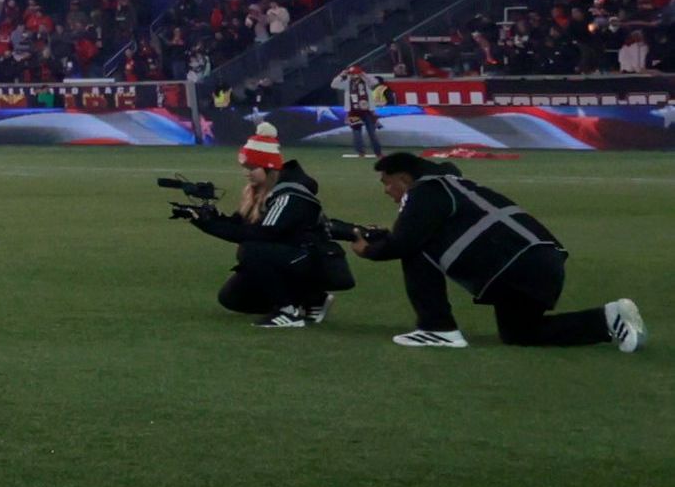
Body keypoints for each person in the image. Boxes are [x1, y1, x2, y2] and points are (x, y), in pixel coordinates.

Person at [342, 151, 644, 353]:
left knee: (417, 250)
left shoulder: (425, 191)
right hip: (542, 261)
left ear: (404, 179)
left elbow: (404, 244)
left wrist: (367, 249)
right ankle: (609, 318)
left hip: (516, 266)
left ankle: (438, 328)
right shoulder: (453, 183)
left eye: (387, 183)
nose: (386, 191)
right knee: (520, 334)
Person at [173, 139, 349, 328]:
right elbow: (240, 225)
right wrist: (205, 217)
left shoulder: (290, 194)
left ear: (269, 168)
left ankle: (288, 312)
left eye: (251, 168)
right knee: (232, 298)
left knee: (251, 250)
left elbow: (263, 234)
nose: (246, 173)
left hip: (316, 261)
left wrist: (209, 224)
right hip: (295, 257)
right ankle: (311, 299)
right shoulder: (262, 190)